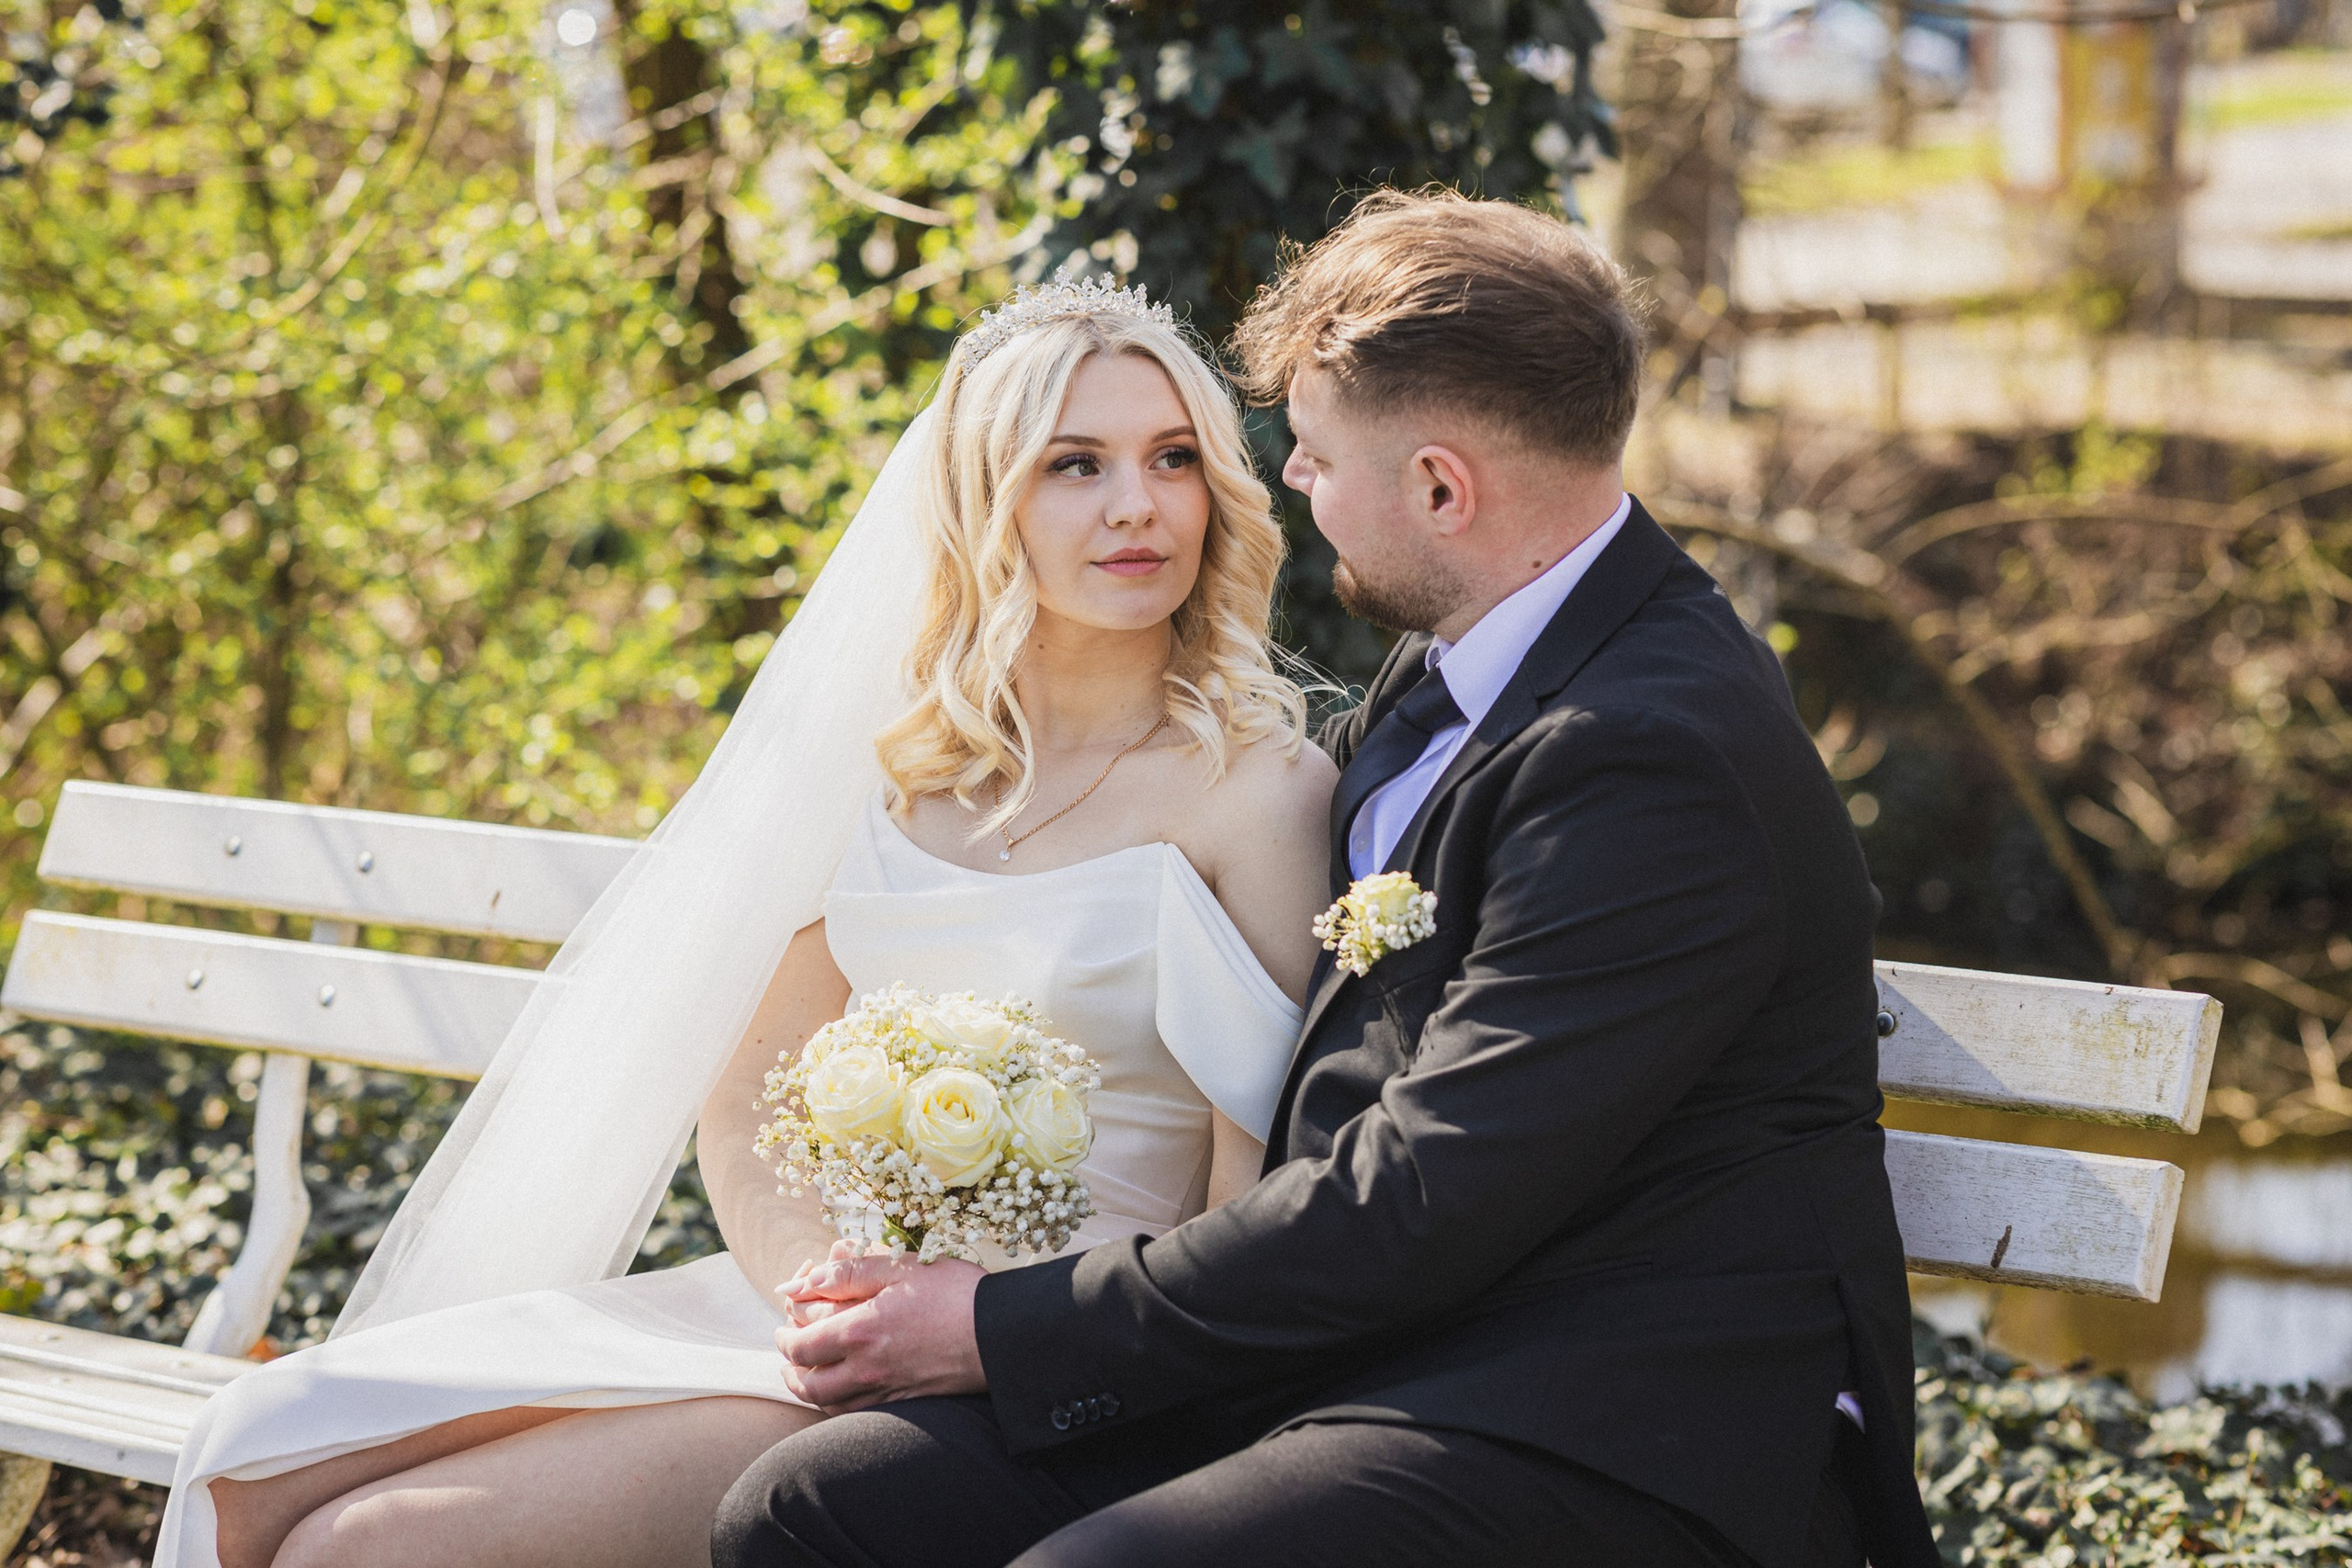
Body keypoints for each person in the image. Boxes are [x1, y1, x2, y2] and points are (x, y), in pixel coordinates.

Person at [713, 191, 1943, 1568]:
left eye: (1312, 451)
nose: (1288, 481)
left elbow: (1429, 1187)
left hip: (1616, 1418)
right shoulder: (1467, 664)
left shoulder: (1653, 751)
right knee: (814, 1513)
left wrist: (999, 1327)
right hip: (1389, 1356)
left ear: (1440, 488)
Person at [151, 278, 1338, 1568]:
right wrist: (830, 1301)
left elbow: (1251, 1207)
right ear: (981, 501)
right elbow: (750, 1100)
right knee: (248, 1470)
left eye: (1173, 458)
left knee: (367, 1548)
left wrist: (987, 1333)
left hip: (1044, 1358)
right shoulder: (896, 776)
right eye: (1075, 464)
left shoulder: (1257, 793)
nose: (1138, 505)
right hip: (811, 1312)